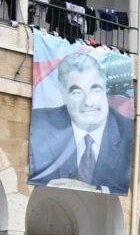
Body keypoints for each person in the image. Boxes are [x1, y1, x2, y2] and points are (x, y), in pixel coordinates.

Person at [28, 51, 133, 194]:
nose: (88, 102)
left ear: (105, 88)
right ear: (63, 94)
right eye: (76, 93)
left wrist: (99, 189)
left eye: (95, 90)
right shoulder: (41, 125)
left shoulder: (126, 132)